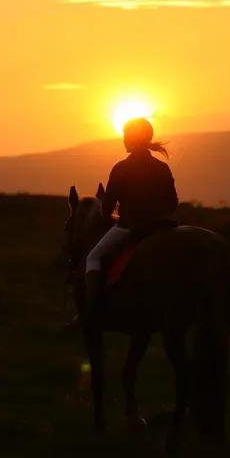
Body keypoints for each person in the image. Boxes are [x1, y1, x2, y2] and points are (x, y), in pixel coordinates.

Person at [72, 117, 179, 329]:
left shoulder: (122, 167)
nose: (123, 141)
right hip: (164, 227)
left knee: (93, 257)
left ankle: (91, 313)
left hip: (131, 227)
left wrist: (107, 206)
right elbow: (173, 201)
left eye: (125, 136)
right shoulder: (162, 167)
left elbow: (106, 209)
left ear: (132, 139)